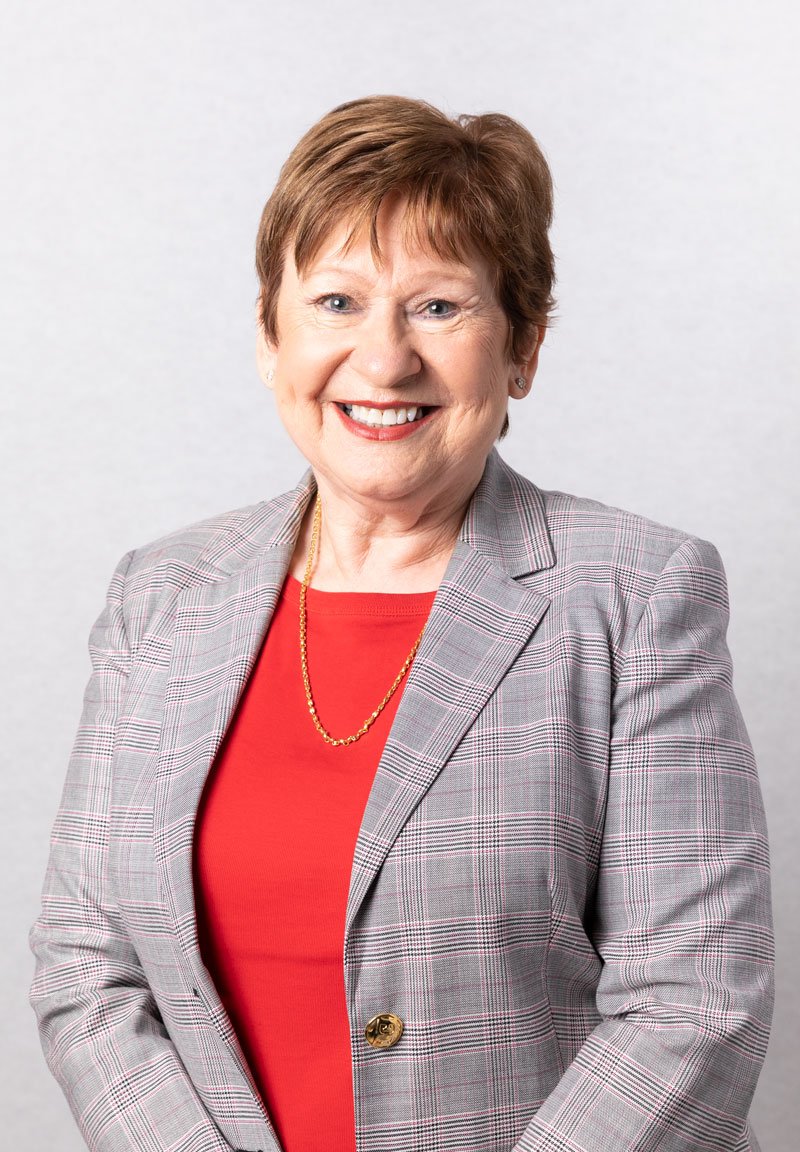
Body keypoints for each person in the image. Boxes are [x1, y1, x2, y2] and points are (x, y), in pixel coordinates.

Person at [29, 94, 774, 1152]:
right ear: (267, 337)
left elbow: (695, 1006)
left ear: (520, 348)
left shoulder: (635, 594)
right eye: (334, 302)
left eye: (437, 307)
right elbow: (85, 968)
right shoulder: (161, 597)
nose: (381, 361)